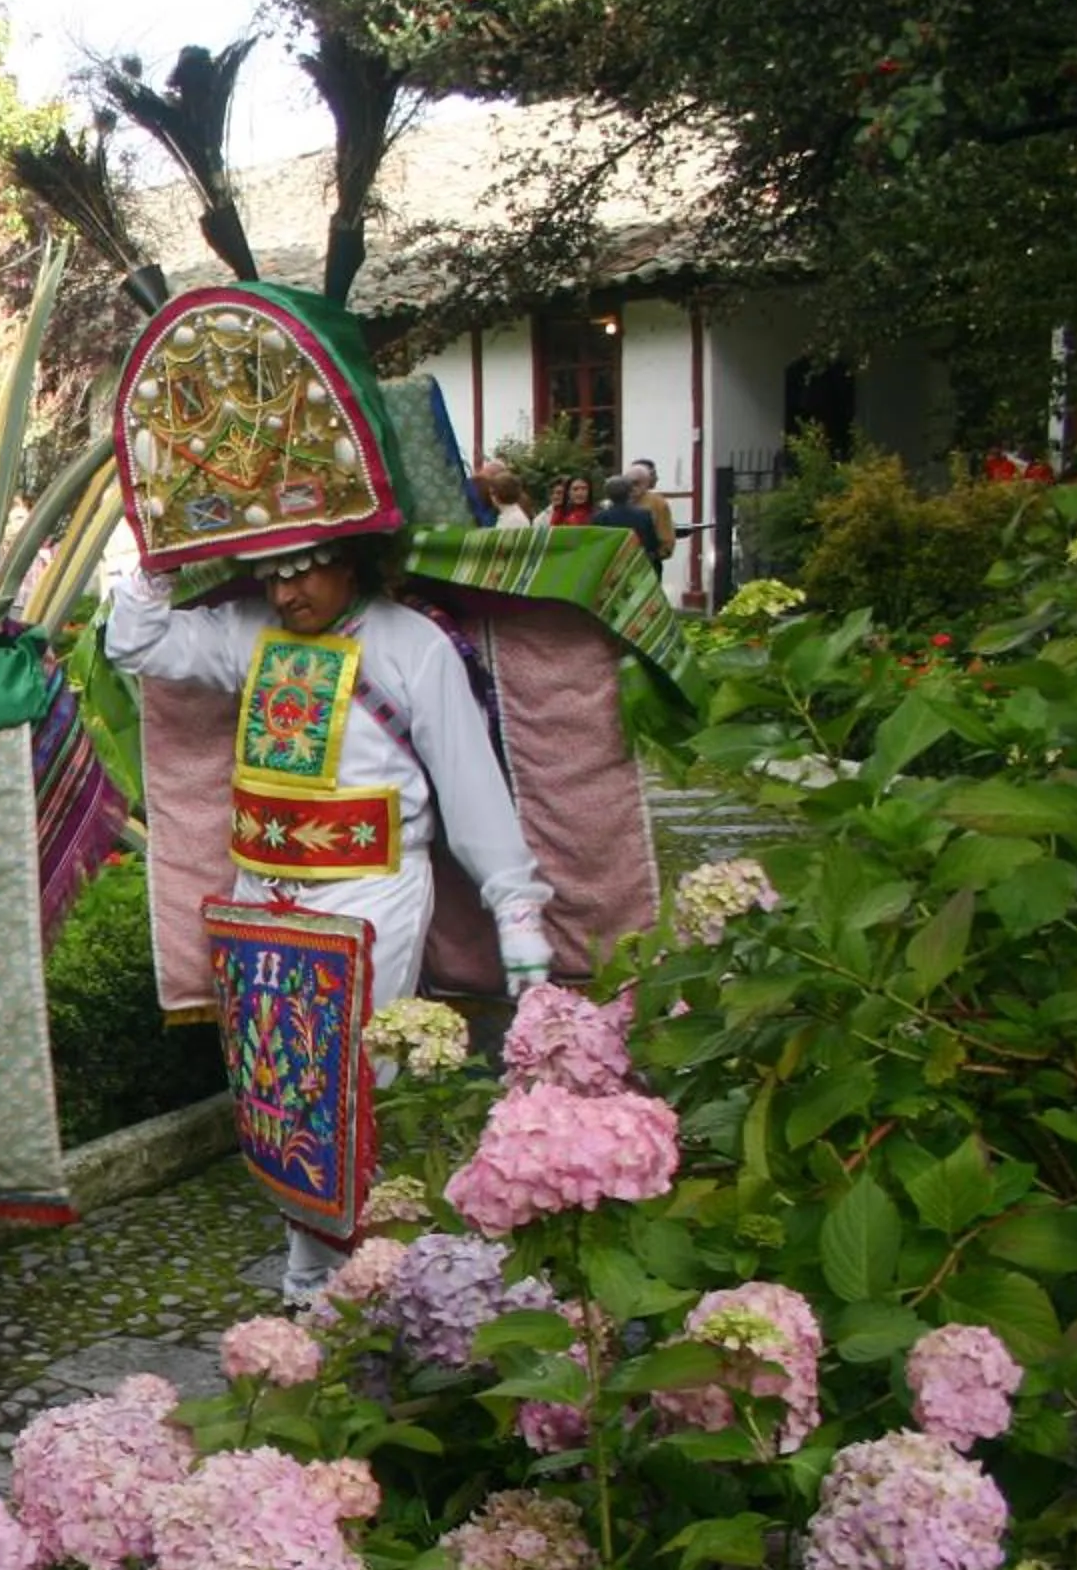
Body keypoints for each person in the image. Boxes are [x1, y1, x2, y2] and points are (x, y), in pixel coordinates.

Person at [106, 538, 554, 1300]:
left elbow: (467, 779)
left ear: (354, 559)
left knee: (350, 1087)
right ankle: (310, 1269)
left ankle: (354, 1268)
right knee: (277, 1083)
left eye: (302, 571)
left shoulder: (414, 646)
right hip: (263, 900)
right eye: (272, 576)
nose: (285, 596)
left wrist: (514, 903)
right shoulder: (246, 632)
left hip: (369, 892)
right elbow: (134, 640)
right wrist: (158, 560)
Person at [591, 475, 663, 562]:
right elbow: (652, 543)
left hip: (611, 563)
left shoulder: (600, 517)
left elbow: (597, 545)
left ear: (608, 494)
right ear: (629, 492)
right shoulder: (644, 514)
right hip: (637, 562)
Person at [623, 458, 679, 561]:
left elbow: (666, 541)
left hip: (648, 562)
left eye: (636, 482)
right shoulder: (618, 500)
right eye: (630, 482)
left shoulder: (658, 503)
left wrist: (652, 557)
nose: (632, 487)